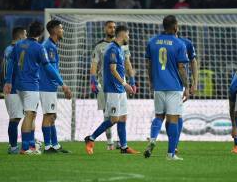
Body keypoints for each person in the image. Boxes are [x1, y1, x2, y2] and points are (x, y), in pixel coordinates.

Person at [3, 21, 71, 155]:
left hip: (18, 85)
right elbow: (48, 67)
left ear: (28, 32)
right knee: (29, 114)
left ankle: (31, 146)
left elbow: (11, 63)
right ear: (40, 34)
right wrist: (62, 83)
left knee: (31, 114)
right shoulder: (39, 48)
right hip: (31, 85)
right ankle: (26, 147)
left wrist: (8, 81)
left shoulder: (18, 45)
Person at [84, 25, 139, 155]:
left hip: (120, 89)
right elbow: (112, 69)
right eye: (128, 35)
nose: (129, 37)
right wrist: (125, 84)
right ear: (122, 35)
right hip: (113, 89)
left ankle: (124, 147)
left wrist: (130, 82)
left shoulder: (120, 49)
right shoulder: (112, 49)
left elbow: (124, 65)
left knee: (123, 117)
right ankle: (90, 138)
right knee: (114, 119)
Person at [144, 15, 189, 160]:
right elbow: (181, 68)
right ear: (175, 27)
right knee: (173, 119)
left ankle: (152, 139)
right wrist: (187, 86)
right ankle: (170, 154)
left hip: (158, 85)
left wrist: (151, 81)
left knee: (159, 116)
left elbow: (149, 65)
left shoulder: (152, 42)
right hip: (174, 86)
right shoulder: (179, 44)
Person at [40, 20, 72, 153]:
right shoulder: (49, 46)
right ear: (54, 30)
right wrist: (63, 85)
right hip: (46, 86)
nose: (62, 30)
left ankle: (55, 145)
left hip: (49, 86)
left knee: (52, 116)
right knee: (48, 116)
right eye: (61, 28)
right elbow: (50, 69)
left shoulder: (50, 45)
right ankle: (48, 147)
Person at [3, 26, 27, 154]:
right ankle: (13, 147)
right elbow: (12, 69)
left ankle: (15, 145)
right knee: (15, 118)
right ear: (21, 36)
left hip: (12, 87)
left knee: (16, 117)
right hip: (13, 88)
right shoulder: (14, 50)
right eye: (25, 34)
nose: (26, 37)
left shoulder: (8, 49)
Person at [175, 35, 198, 153]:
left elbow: (193, 61)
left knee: (171, 116)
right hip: (173, 85)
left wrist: (194, 82)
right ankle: (173, 146)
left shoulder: (186, 43)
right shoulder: (161, 42)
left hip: (175, 85)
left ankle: (173, 145)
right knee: (173, 116)